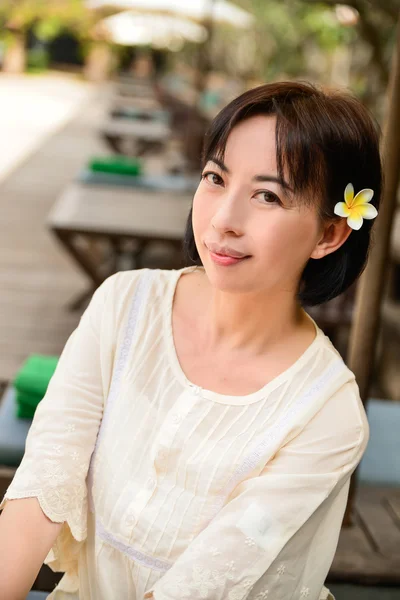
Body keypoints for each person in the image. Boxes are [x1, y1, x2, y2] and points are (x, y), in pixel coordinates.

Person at [0, 81, 381, 600]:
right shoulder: (123, 304)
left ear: (330, 234)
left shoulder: (326, 415)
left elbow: (199, 586)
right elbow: (46, 479)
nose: (224, 220)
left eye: (267, 195)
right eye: (215, 178)